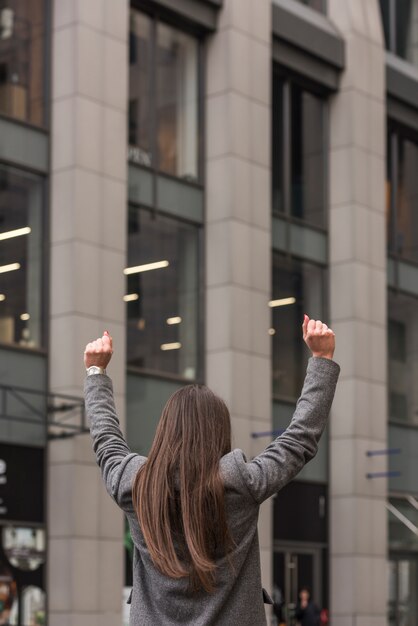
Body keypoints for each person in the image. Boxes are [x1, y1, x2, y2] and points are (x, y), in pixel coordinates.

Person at [83, 315, 340, 626]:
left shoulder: (134, 484)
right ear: (220, 432)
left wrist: (96, 372)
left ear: (165, 430)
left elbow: (106, 441)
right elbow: (300, 440)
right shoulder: (242, 484)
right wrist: (321, 359)